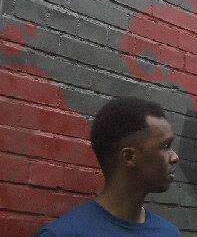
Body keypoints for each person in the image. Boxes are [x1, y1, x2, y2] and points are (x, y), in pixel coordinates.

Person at [34, 97, 181, 236]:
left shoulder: (169, 233)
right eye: (165, 146)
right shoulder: (63, 234)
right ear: (128, 157)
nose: (175, 157)